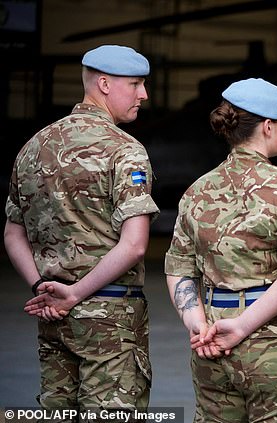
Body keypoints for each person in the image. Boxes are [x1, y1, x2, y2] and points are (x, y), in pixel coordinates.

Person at [5, 45, 159, 413]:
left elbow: (13, 234)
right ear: (104, 84)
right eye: (135, 84)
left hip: (52, 317)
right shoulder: (125, 151)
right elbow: (135, 245)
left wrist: (42, 288)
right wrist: (74, 294)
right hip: (109, 320)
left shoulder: (33, 147)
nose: (144, 94)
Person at [164, 78, 277, 422]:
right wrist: (242, 326)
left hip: (209, 341)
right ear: (268, 127)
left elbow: (178, 269)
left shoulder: (198, 190)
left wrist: (197, 323)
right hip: (273, 344)